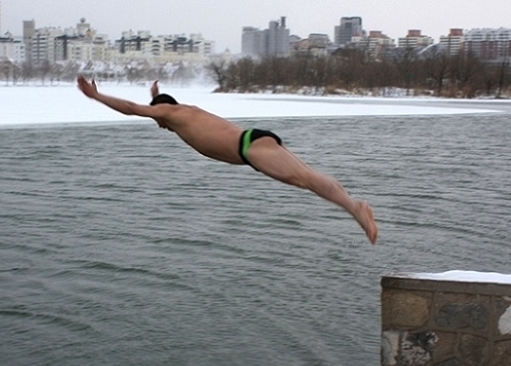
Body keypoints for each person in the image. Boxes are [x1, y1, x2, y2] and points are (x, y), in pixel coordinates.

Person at [77, 77, 378, 244]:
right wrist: (156, 93)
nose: (159, 125)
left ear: (161, 109)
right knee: (306, 177)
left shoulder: (170, 113)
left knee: (306, 179)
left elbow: (132, 108)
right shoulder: (182, 110)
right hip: (253, 142)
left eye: (158, 117)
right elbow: (160, 103)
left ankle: (356, 208)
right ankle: (353, 206)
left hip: (249, 148)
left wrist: (96, 95)